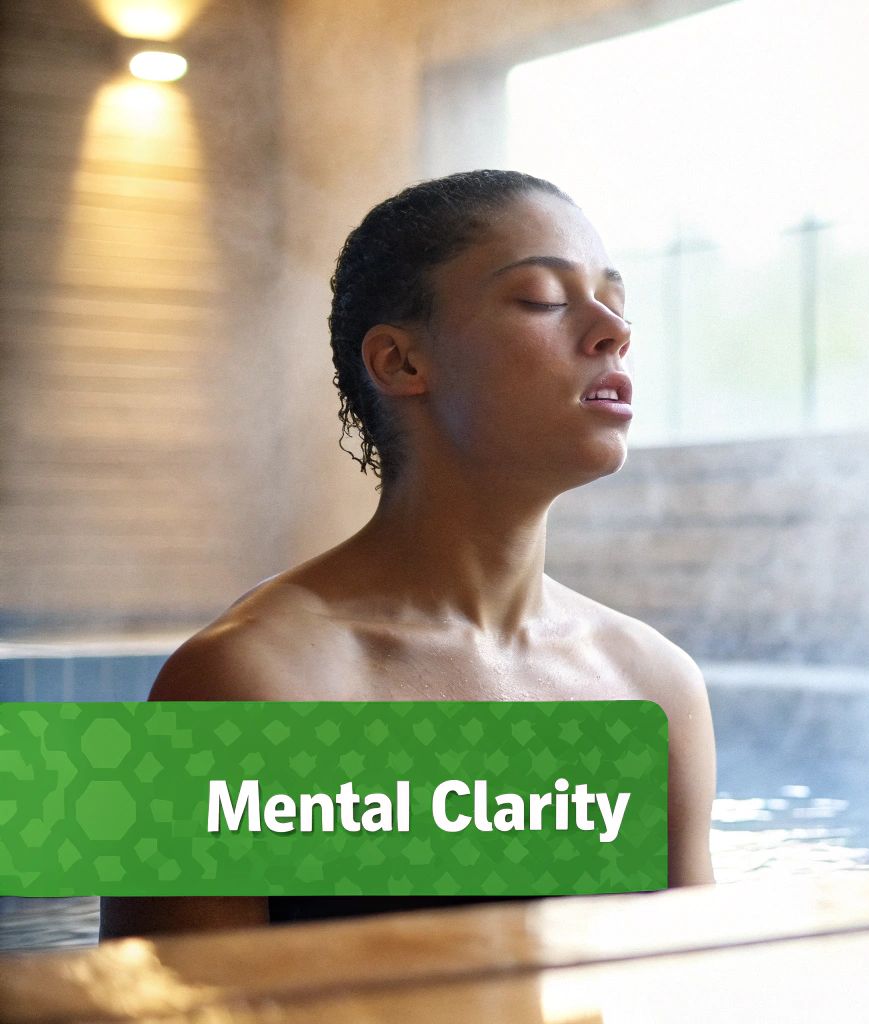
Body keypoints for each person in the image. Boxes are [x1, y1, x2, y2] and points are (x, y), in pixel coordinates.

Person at [101, 169, 716, 938]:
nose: (611, 330)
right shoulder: (252, 687)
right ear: (400, 363)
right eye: (542, 299)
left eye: (614, 302)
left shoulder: (652, 686)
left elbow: (689, 983)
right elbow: (169, 996)